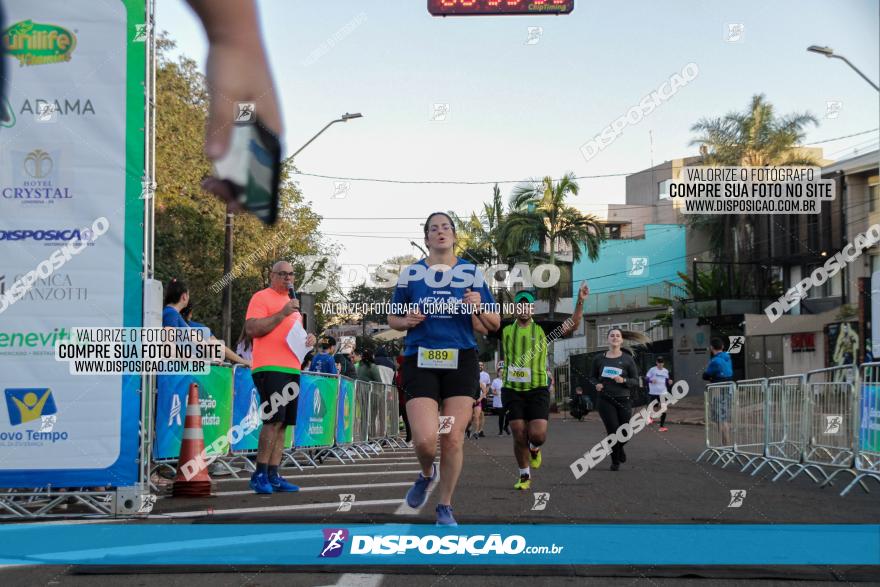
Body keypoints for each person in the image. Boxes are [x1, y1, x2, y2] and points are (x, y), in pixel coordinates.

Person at [388, 211, 500, 526]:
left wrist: (478, 306)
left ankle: (445, 506)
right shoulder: (410, 275)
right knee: (424, 439)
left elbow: (493, 324)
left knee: (451, 436)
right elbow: (393, 320)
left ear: (453, 236)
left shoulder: (471, 273)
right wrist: (405, 320)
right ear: (426, 238)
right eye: (433, 228)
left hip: (461, 360)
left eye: (446, 227)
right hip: (419, 359)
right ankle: (426, 473)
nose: (440, 232)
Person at [501, 284, 587, 489]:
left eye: (527, 305)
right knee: (518, 430)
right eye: (519, 305)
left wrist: (581, 300)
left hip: (537, 388)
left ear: (532, 309)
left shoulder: (544, 328)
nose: (523, 309)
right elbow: (481, 325)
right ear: (515, 309)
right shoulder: (504, 328)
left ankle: (534, 448)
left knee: (538, 434)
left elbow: (573, 324)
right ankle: (524, 476)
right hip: (512, 389)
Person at [244, 261, 316, 494]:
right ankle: (259, 473)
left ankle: (274, 474)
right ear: (272, 276)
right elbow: (253, 329)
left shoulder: (293, 305)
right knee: (273, 419)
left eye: (291, 274)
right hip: (269, 366)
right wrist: (282, 313)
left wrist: (308, 340)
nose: (288, 279)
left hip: (292, 367)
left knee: (284, 423)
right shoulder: (261, 297)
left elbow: (292, 335)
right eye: (282, 274)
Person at [590, 327, 644, 471]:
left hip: (624, 399)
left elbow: (635, 380)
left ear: (621, 340)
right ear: (607, 339)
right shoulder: (599, 359)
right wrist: (597, 384)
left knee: (625, 433)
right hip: (605, 400)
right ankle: (615, 461)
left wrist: (623, 380)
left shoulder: (627, 359)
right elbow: (592, 377)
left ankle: (619, 448)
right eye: (612, 335)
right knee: (613, 431)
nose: (615, 338)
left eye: (617, 336)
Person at [181, 304, 251, 367]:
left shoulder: (171, 324)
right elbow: (220, 349)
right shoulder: (199, 328)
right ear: (190, 313)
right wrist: (244, 362)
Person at [704, 337, 734, 445]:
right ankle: (725, 442)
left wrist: (711, 378)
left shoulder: (715, 361)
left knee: (718, 418)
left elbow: (706, 375)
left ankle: (725, 444)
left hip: (718, 389)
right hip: (729, 389)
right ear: (722, 347)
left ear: (711, 348)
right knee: (724, 417)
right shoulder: (728, 358)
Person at [645, 357, 671, 431]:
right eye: (659, 362)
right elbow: (646, 378)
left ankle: (662, 426)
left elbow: (666, 381)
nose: (660, 364)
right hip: (654, 393)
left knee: (664, 409)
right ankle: (650, 418)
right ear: (656, 363)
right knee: (655, 407)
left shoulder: (665, 371)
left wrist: (669, 382)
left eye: (661, 362)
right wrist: (650, 381)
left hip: (663, 393)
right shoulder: (652, 370)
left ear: (663, 363)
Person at [491, 368, 508, 435]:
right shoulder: (495, 381)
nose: (502, 373)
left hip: (507, 400)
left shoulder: (507, 380)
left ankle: (506, 426)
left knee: (509, 415)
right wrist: (496, 393)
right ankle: (500, 431)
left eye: (503, 372)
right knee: (501, 416)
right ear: (498, 373)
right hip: (499, 401)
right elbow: (493, 391)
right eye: (500, 372)